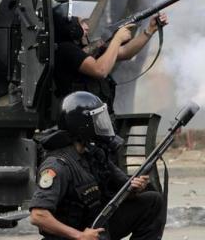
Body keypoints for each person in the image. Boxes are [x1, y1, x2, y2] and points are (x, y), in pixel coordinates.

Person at [29, 91, 165, 240]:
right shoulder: (57, 165)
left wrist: (135, 188)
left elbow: (123, 189)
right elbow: (38, 215)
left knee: (152, 201)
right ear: (82, 125)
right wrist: (80, 236)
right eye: (97, 119)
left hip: (95, 226)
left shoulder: (94, 154)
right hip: (72, 236)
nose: (101, 124)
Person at [52, 3, 169, 114]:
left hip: (95, 117)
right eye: (82, 23)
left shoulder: (84, 49)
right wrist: (117, 39)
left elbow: (125, 52)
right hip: (80, 119)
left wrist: (149, 30)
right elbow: (100, 70)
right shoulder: (65, 50)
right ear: (70, 26)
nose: (87, 27)